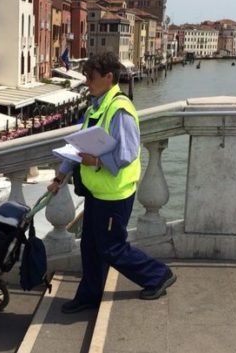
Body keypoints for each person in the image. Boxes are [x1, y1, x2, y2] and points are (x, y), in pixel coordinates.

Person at [47, 52, 176, 315]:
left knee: (112, 247)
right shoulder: (97, 105)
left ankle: (158, 275)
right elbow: (78, 145)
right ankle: (89, 295)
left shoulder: (120, 110)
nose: (87, 82)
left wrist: (96, 162)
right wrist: (60, 176)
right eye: (86, 77)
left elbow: (127, 154)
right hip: (97, 192)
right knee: (90, 245)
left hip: (115, 194)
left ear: (108, 77)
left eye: (91, 77)